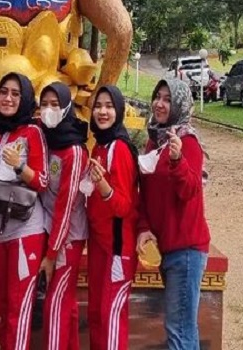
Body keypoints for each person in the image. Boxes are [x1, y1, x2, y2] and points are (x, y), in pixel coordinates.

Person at [137, 79, 210, 350]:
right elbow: (144, 191)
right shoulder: (153, 142)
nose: (159, 104)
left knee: (179, 329)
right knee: (181, 327)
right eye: (157, 97)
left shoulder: (187, 141)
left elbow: (190, 190)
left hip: (186, 249)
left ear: (178, 104)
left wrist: (178, 160)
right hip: (165, 247)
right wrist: (144, 226)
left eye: (167, 99)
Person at [0, 72, 48, 350]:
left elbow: (43, 180)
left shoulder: (32, 132)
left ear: (24, 99)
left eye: (15, 93)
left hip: (25, 231)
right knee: (3, 305)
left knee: (19, 309)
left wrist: (20, 167)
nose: (8, 98)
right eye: (3, 92)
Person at [84, 85, 139, 350]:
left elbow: (124, 206)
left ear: (118, 111)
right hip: (99, 244)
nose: (102, 112)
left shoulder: (119, 148)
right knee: (95, 313)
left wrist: (104, 188)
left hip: (117, 248)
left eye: (108, 106)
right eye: (98, 106)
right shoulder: (100, 146)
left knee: (111, 317)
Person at [36, 82, 88, 350]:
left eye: (55, 104)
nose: (48, 110)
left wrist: (52, 253)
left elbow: (67, 205)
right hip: (46, 231)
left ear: (67, 106)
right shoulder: (45, 140)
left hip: (67, 239)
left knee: (56, 304)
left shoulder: (74, 151)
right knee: (66, 303)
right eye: (44, 104)